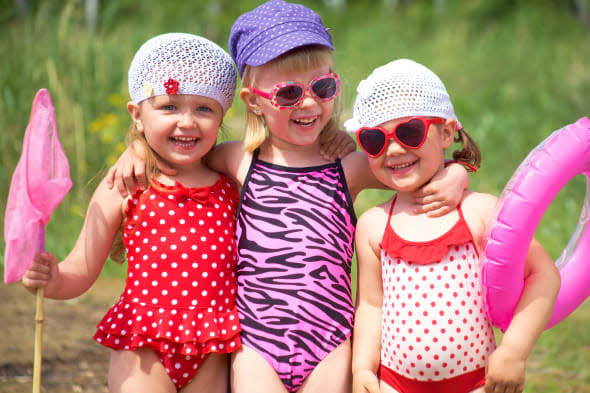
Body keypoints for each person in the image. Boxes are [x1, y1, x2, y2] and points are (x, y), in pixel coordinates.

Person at [106, 2, 471, 392]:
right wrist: (139, 149)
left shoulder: (347, 165)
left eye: (323, 87)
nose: (309, 103)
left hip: (329, 340)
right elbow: (181, 149)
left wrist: (457, 172)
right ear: (253, 102)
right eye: (289, 93)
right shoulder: (240, 160)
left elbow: (412, 162)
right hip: (255, 342)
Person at [21, 33, 242, 393]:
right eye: (169, 107)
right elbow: (82, 269)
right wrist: (53, 279)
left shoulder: (231, 185)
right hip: (143, 344)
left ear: (222, 116)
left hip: (212, 344)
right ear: (137, 115)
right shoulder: (123, 187)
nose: (187, 122)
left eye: (204, 109)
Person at [348, 58, 561, 393]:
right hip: (394, 384)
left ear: (446, 132)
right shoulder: (374, 225)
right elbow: (372, 306)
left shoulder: (478, 212)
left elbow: (543, 274)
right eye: (374, 139)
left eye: (410, 131)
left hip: (477, 383)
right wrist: (361, 368)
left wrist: (514, 350)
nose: (392, 148)